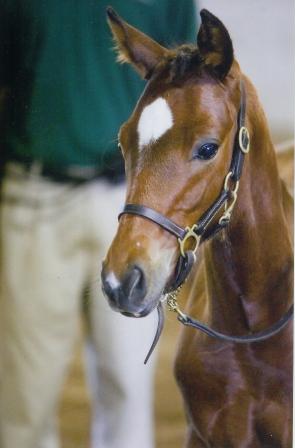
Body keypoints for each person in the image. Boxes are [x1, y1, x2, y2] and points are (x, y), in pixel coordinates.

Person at [0, 1, 197, 448]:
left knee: (129, 384)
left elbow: (185, 91)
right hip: (36, 195)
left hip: (133, 201)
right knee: (26, 395)